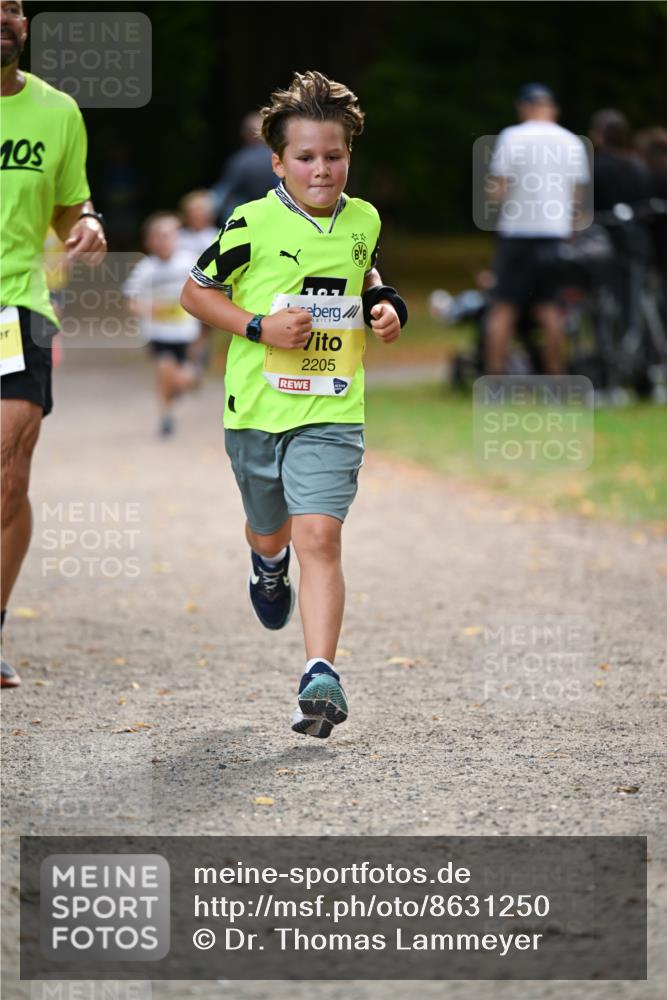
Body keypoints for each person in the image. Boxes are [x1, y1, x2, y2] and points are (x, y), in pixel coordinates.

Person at [181, 71, 407, 739]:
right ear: (277, 162)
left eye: (333, 156)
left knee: (321, 536)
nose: (321, 169)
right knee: (270, 528)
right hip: (255, 409)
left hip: (332, 407)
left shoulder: (362, 217)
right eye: (305, 157)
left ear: (348, 157)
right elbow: (197, 294)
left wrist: (385, 304)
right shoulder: (250, 223)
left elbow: (363, 273)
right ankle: (265, 564)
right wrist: (257, 327)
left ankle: (318, 673)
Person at [1, 0, 107, 688]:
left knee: (7, 470)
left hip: (17, 305)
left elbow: (72, 203)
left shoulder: (58, 111)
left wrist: (89, 221)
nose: (3, 16)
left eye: (11, 5)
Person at [485, 83, 590, 375]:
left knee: (504, 308)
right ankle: (556, 378)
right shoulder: (572, 142)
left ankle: (495, 377)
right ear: (552, 108)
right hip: (554, 236)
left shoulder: (511, 137)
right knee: (551, 310)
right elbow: (576, 197)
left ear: (524, 107)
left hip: (517, 234)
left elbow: (498, 190)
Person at [123, 212, 201, 437]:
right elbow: (131, 301)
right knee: (165, 370)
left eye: (168, 235)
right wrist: (149, 309)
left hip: (186, 332)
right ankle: (166, 415)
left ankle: (183, 385)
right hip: (158, 333)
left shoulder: (189, 262)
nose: (164, 241)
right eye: (158, 236)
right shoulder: (145, 268)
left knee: (183, 379)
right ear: (149, 241)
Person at [210, 111, 278, 223]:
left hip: (248, 218)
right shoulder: (281, 157)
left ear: (246, 134)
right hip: (276, 214)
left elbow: (224, 191)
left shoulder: (242, 160)